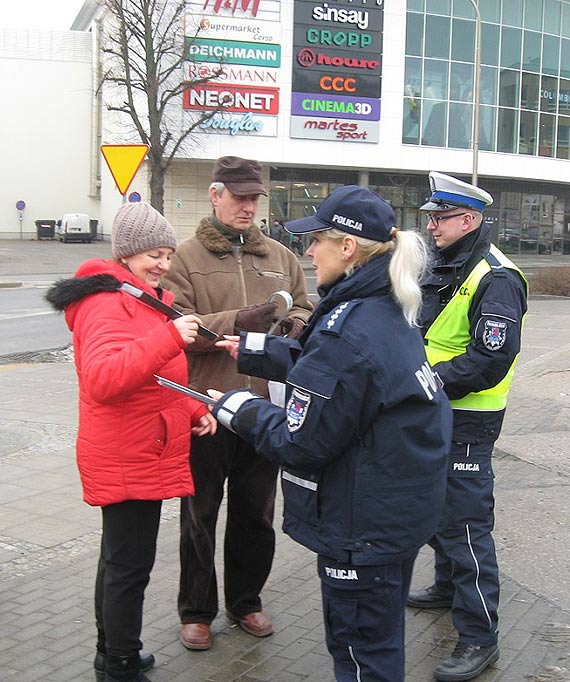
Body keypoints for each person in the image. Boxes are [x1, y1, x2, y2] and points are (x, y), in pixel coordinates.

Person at [209, 185, 453, 681]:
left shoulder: (350, 329)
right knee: (378, 644)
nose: (308, 251)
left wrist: (241, 408)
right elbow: (345, 382)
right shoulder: (382, 305)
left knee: (362, 655)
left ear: (347, 248)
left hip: (361, 522)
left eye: (317, 239)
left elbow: (303, 440)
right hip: (393, 513)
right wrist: (258, 351)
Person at [46, 202, 217, 682]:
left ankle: (113, 651)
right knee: (129, 565)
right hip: (125, 453)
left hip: (138, 446)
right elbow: (105, 378)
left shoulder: (137, 296)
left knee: (120, 559)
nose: (163, 264)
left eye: (167, 254)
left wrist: (193, 411)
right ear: (126, 254)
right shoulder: (107, 302)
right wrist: (169, 338)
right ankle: (119, 664)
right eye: (153, 255)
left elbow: (152, 383)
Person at [161, 156, 313, 651]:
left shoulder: (281, 256)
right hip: (205, 405)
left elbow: (305, 306)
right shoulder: (185, 258)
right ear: (216, 194)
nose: (249, 206)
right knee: (199, 514)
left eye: (254, 198)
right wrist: (237, 321)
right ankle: (197, 611)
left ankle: (246, 601)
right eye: (240, 196)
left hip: (263, 408)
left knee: (255, 513)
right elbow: (176, 328)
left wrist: (296, 325)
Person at [406, 172, 528, 682]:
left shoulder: (496, 277)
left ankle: (480, 636)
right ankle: (446, 587)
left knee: (466, 527)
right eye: (430, 216)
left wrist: (423, 381)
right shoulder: (446, 264)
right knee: (435, 510)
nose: (431, 225)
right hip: (435, 412)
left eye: (440, 217)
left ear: (470, 220)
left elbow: (487, 361)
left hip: (469, 420)